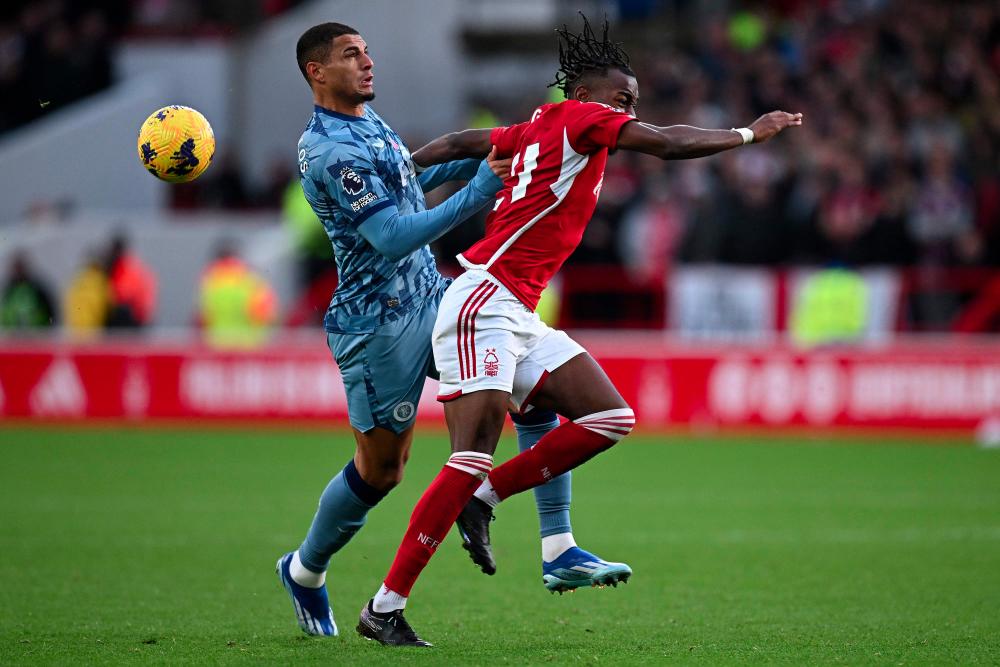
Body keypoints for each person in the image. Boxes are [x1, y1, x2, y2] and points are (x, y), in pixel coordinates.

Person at [357, 15, 802, 646]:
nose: (631, 112)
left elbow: (462, 142)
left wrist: (402, 168)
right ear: (602, 96)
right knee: (468, 453)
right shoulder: (584, 117)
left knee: (610, 417)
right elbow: (668, 144)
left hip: (514, 309)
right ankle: (385, 606)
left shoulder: (538, 126)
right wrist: (748, 134)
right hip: (483, 300)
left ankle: (495, 504)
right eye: (628, 100)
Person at [277, 22, 628, 639]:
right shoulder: (330, 150)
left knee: (532, 392)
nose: (367, 62)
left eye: (367, 49)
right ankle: (306, 570)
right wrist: (478, 190)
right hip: (376, 324)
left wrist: (462, 179)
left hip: (432, 297)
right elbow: (388, 237)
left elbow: (405, 201)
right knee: (383, 470)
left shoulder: (370, 126)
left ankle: (559, 546)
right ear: (316, 72)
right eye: (351, 55)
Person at [198, 242, 277, 348]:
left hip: (218, 347)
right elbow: (267, 315)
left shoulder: (210, 281)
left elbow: (203, 317)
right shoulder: (251, 280)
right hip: (250, 347)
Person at [0, 251, 56, 330]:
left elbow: (51, 311)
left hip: (38, 335)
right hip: (14, 336)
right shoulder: (8, 290)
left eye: (19, 268)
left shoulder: (37, 288)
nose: (18, 272)